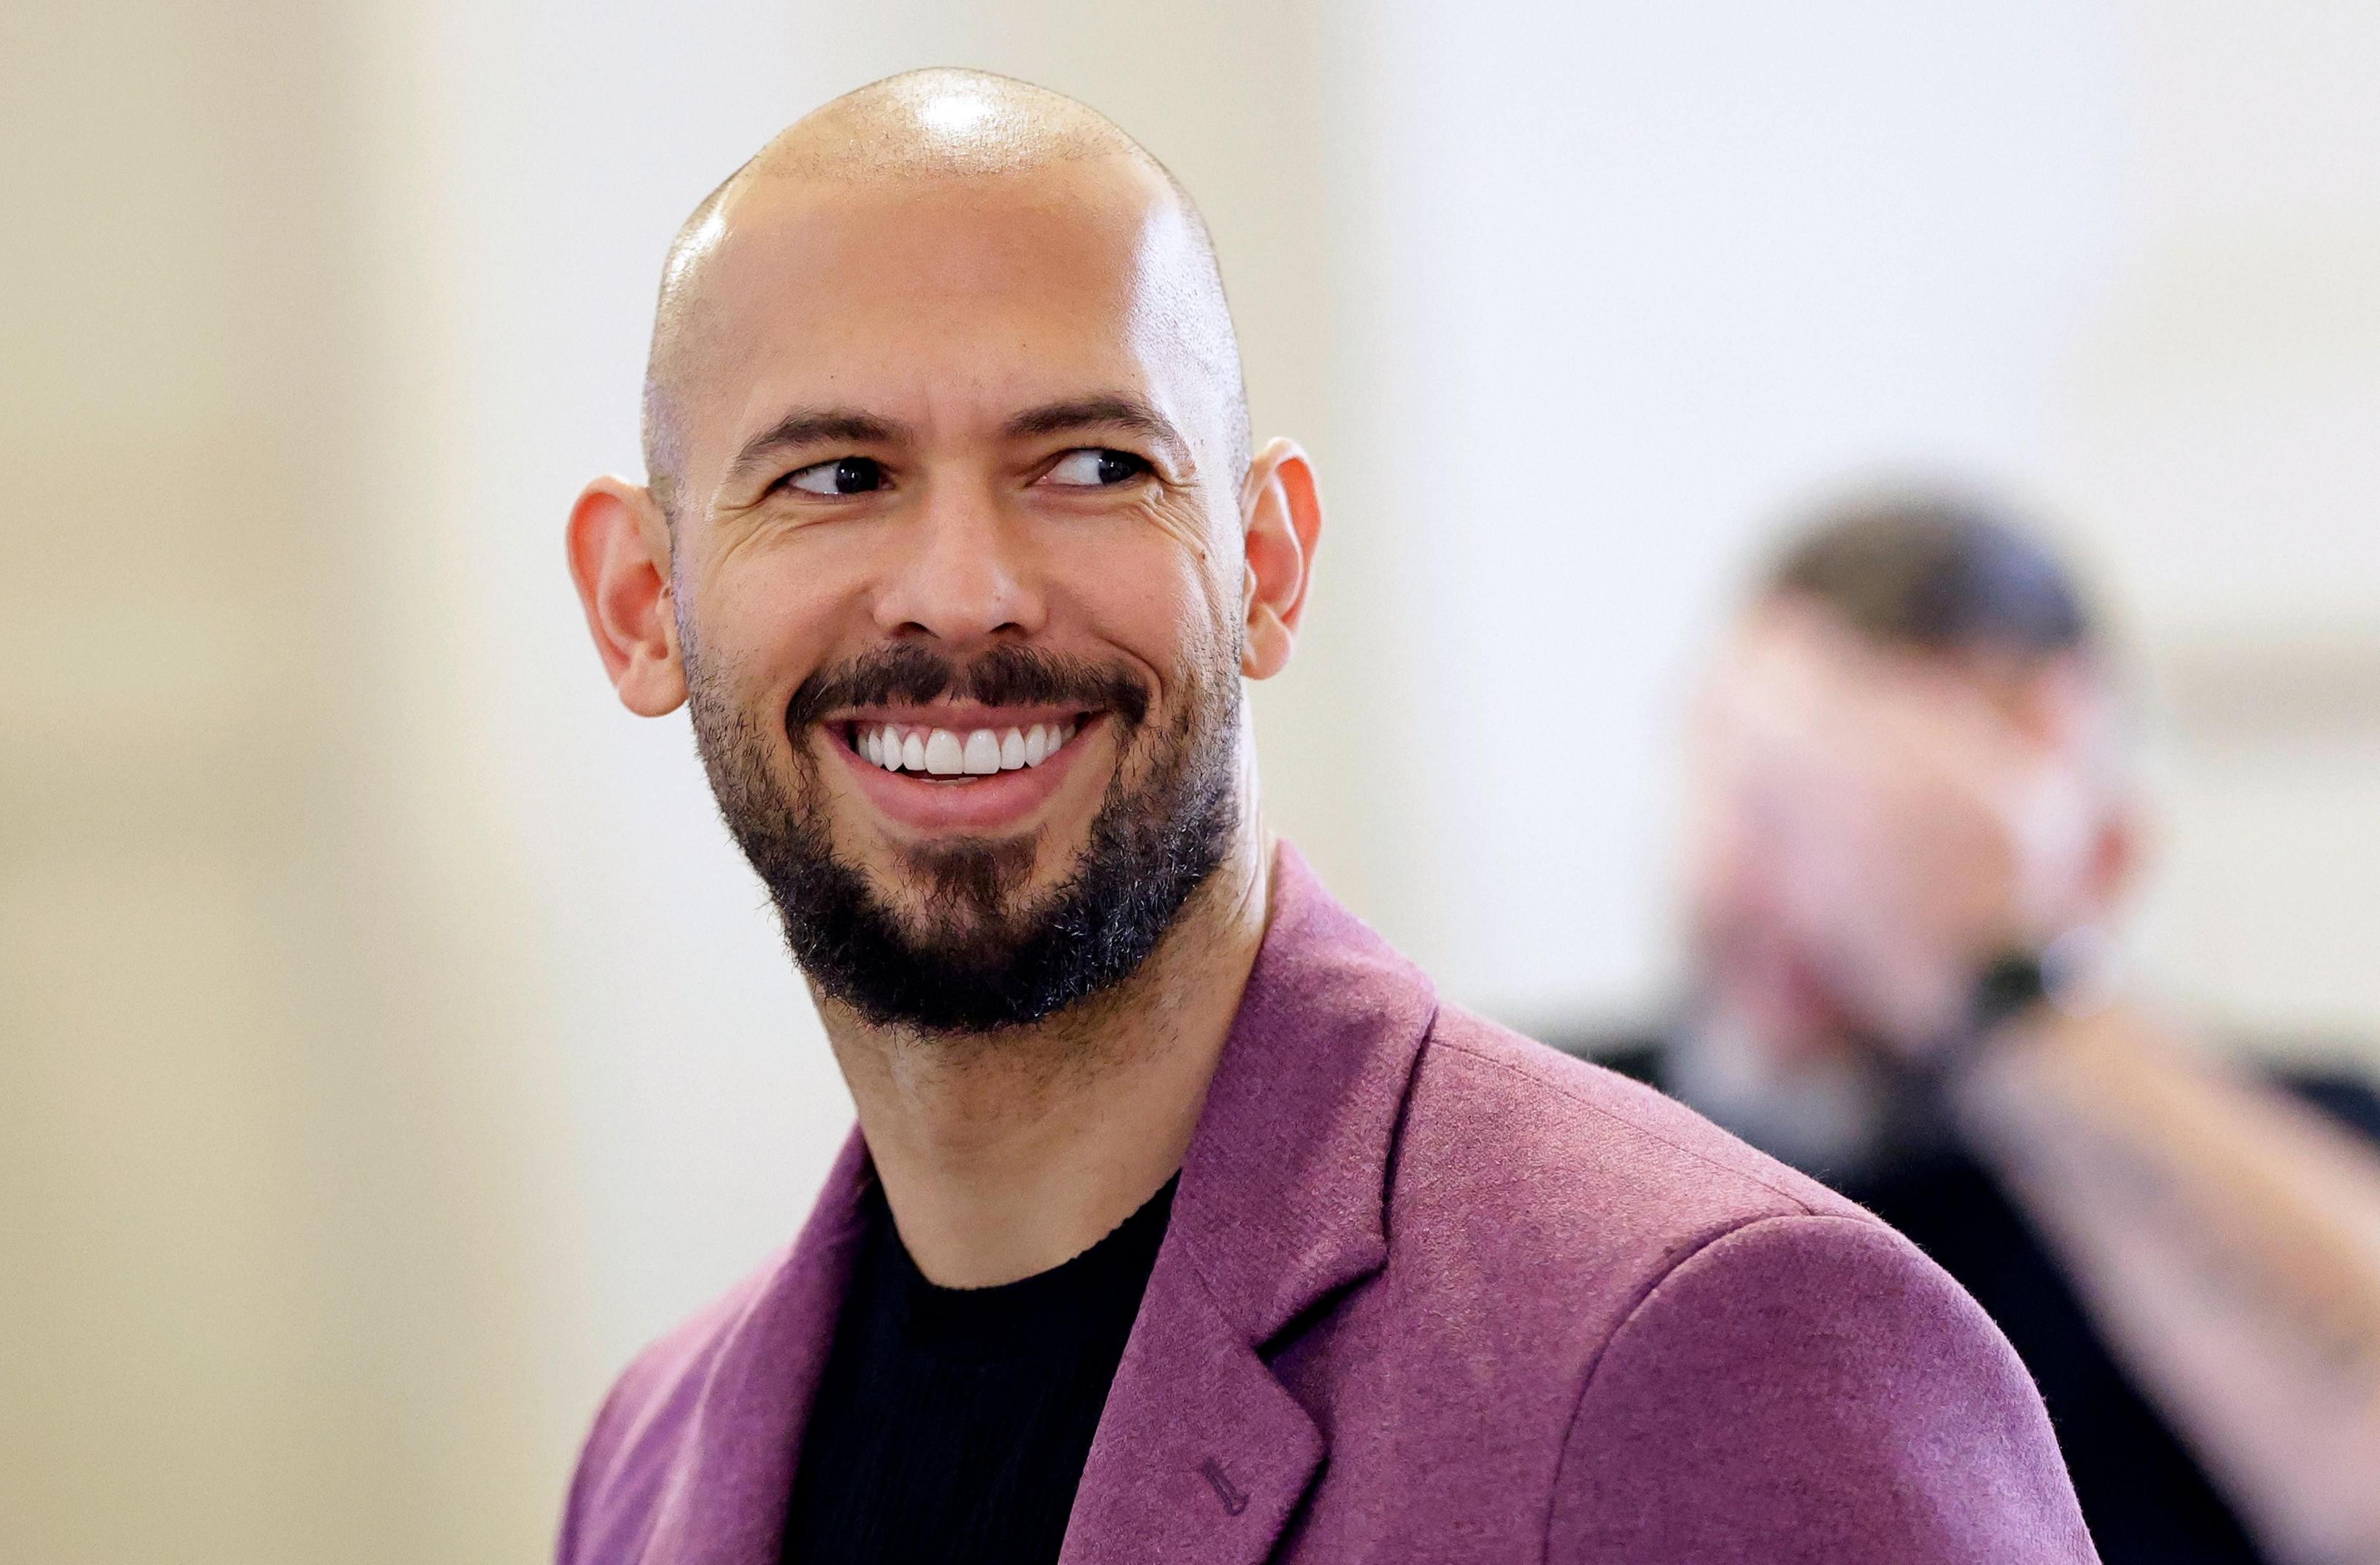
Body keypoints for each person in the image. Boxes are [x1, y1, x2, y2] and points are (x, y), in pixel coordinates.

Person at [556, 70, 2094, 1564]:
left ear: (1268, 563)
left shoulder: (1720, 1342)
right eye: (836, 476)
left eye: (1094, 466)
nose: (966, 592)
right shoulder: (650, 1461)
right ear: (640, 605)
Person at [1588, 491, 2380, 1565]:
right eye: (1778, 795)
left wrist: (1996, 981)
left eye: (1905, 822)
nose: (1820, 890)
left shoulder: (2284, 1151)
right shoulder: (1524, 1138)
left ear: (2105, 856)